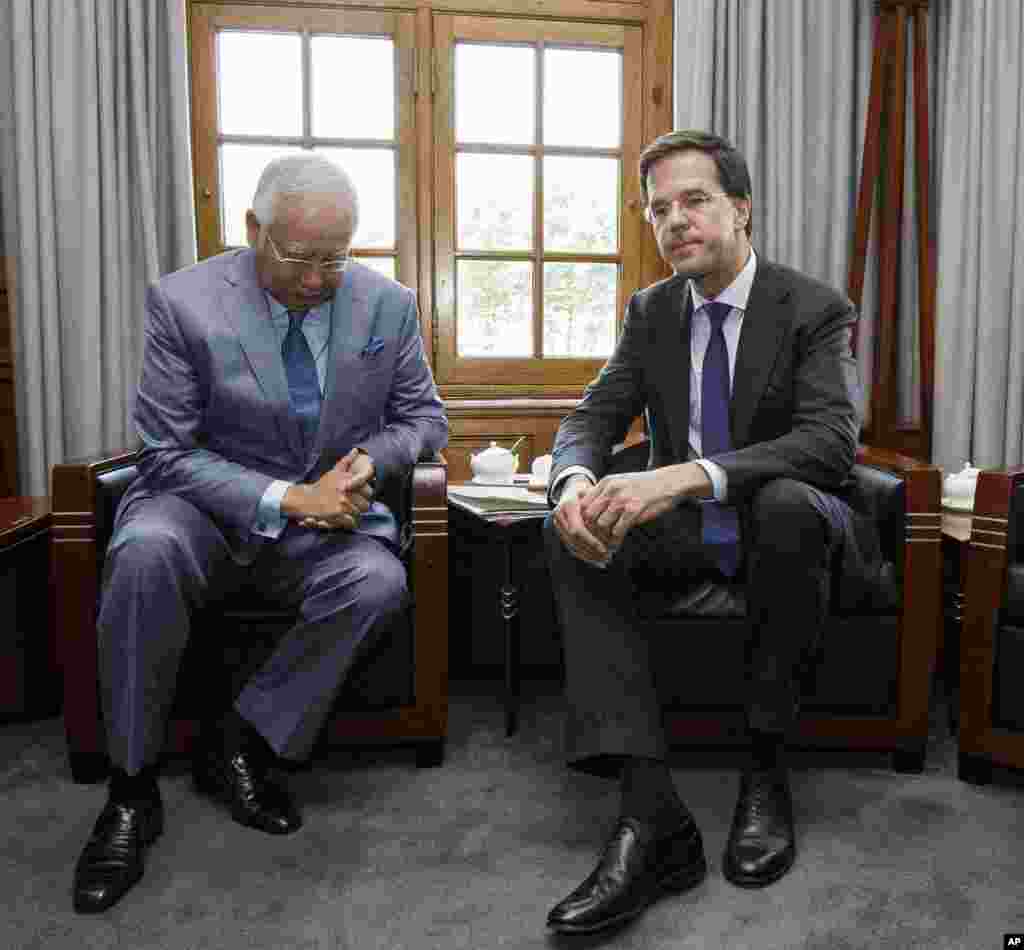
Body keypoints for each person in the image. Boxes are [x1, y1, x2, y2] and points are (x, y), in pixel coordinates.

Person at [72, 153, 447, 913]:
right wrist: (287, 498)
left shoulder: (388, 305)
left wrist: (363, 465)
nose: (317, 279)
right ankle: (131, 789)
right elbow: (166, 453)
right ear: (253, 230)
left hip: (325, 520)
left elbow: (424, 418)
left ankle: (242, 738)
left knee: (377, 581)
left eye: (335, 258)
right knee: (144, 552)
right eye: (299, 257)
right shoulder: (183, 303)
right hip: (199, 511)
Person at [544, 130, 889, 934]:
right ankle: (649, 812)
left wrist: (685, 475)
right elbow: (592, 416)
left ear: (741, 209)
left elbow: (830, 442)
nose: (674, 221)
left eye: (693, 201)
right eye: (657, 209)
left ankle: (764, 770)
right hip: (694, 530)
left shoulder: (813, 307)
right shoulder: (653, 311)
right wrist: (574, 482)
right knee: (569, 527)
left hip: (793, 523)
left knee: (785, 508)